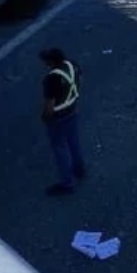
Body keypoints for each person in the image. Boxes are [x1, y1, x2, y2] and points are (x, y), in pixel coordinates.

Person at [40, 47, 85, 196]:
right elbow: (79, 82)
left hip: (58, 117)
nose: (44, 63)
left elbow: (49, 104)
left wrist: (46, 117)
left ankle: (67, 183)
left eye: (45, 60)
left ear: (51, 61)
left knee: (60, 148)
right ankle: (79, 168)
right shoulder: (72, 65)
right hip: (72, 110)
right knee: (73, 141)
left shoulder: (51, 79)